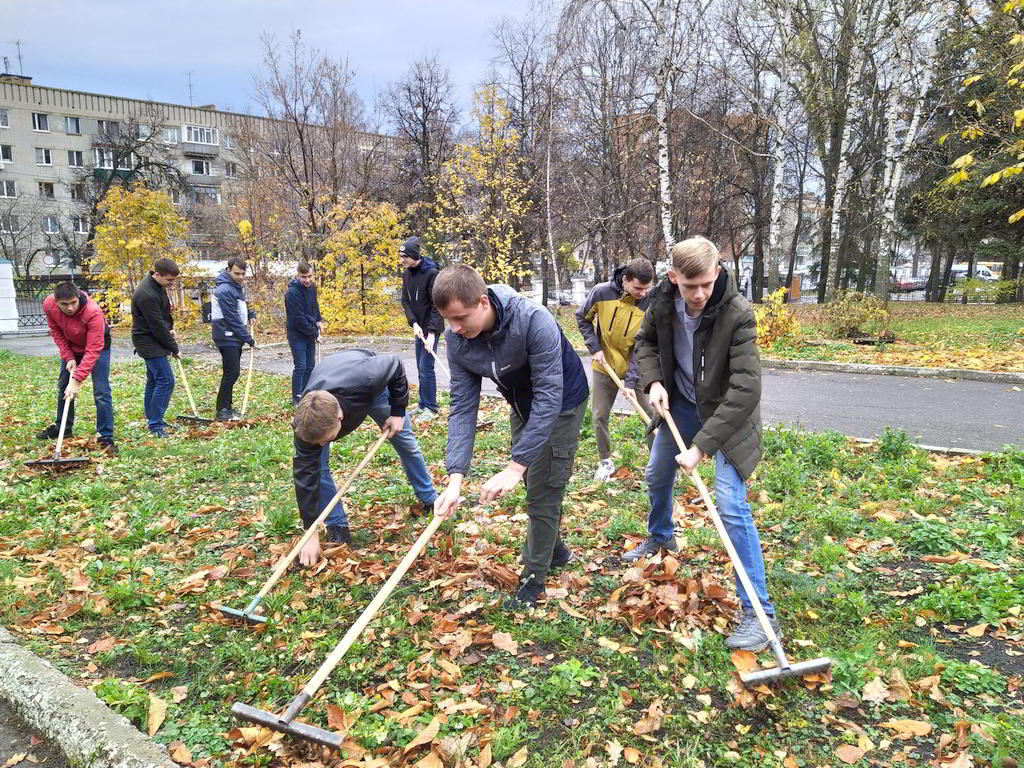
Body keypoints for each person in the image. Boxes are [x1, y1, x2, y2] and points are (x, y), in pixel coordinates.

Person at [627, 236, 779, 652]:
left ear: (717, 274)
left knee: (730, 505)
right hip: (681, 406)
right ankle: (661, 536)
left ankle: (760, 612)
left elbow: (746, 389)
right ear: (673, 277)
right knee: (657, 474)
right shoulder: (660, 301)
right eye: (689, 285)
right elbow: (647, 345)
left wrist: (702, 447)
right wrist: (654, 380)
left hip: (728, 416)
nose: (698, 295)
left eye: (706, 285)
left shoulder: (736, 313)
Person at [432, 265, 589, 611]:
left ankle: (534, 578)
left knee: (543, 485)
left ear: (483, 302)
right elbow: (462, 406)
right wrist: (455, 479)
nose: (455, 328)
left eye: (460, 318)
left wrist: (515, 467)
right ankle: (555, 549)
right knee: (536, 479)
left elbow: (549, 395)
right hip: (522, 403)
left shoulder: (534, 320)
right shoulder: (457, 340)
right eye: (448, 320)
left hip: (562, 402)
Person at [293, 350, 438, 565]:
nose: (322, 445)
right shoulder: (306, 425)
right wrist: (310, 530)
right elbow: (305, 476)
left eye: (326, 439)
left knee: (406, 443)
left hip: (373, 390)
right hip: (335, 385)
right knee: (319, 466)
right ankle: (337, 525)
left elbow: (395, 363)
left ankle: (430, 499)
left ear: (341, 418)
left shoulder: (367, 377)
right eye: (318, 442)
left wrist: (398, 412)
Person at [576, 258, 656, 482]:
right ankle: (605, 461)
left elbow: (644, 344)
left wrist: (631, 382)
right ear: (625, 280)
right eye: (638, 288)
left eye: (647, 288)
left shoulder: (649, 303)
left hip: (636, 365)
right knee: (600, 415)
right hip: (604, 365)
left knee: (651, 415)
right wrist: (594, 347)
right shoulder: (601, 293)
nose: (643, 293)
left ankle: (657, 464)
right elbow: (582, 318)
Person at [37, 282, 116, 453]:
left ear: (78, 297)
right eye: (64, 304)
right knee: (63, 387)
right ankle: (63, 428)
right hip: (72, 347)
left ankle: (105, 436)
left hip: (98, 348)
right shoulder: (49, 305)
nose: (70, 308)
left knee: (101, 391)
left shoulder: (93, 312)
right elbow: (56, 331)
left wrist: (77, 380)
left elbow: (93, 349)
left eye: (73, 302)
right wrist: (69, 356)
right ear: (56, 302)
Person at [131, 258, 181, 438]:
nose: (171, 283)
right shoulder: (146, 293)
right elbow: (156, 325)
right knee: (166, 380)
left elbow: (162, 317)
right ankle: (156, 424)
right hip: (148, 341)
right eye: (169, 280)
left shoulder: (156, 286)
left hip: (153, 338)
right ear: (157, 274)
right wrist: (174, 348)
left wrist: (170, 329)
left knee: (154, 380)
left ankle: (153, 418)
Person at [399, 236, 444, 422]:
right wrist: (414, 323)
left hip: (431, 328)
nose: (401, 260)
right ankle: (423, 404)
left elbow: (437, 305)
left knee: (426, 367)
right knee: (420, 366)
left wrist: (432, 334)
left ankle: (431, 408)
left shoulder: (432, 273)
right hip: (419, 327)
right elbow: (406, 301)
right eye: (400, 256)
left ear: (414, 255)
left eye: (404, 256)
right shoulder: (407, 274)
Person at [211, 256, 255, 421]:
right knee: (232, 372)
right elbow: (232, 318)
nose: (241, 277)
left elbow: (241, 306)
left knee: (232, 372)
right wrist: (248, 338)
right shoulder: (224, 290)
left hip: (234, 336)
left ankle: (227, 407)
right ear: (228, 270)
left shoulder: (236, 287)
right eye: (237, 273)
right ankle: (222, 410)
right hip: (226, 335)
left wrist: (251, 314)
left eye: (243, 274)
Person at [285, 261, 323, 406]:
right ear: (297, 276)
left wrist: (318, 320)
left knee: (310, 366)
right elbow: (298, 319)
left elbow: (314, 305)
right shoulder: (292, 293)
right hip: (297, 334)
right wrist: (315, 334)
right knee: (300, 366)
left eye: (309, 276)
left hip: (310, 331)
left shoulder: (312, 287)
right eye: (303, 277)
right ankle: (297, 397)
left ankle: (307, 394)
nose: (307, 280)